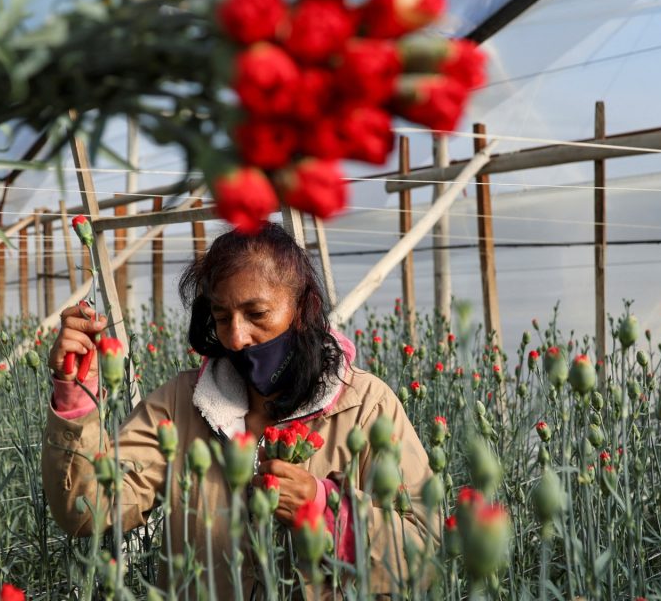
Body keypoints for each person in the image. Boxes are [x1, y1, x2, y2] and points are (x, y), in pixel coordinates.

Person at [42, 222, 433, 596]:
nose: (236, 337)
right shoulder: (180, 405)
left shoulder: (364, 406)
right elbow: (86, 511)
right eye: (221, 316)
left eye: (257, 314)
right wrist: (76, 393)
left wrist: (326, 510)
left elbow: (426, 556)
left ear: (302, 308)